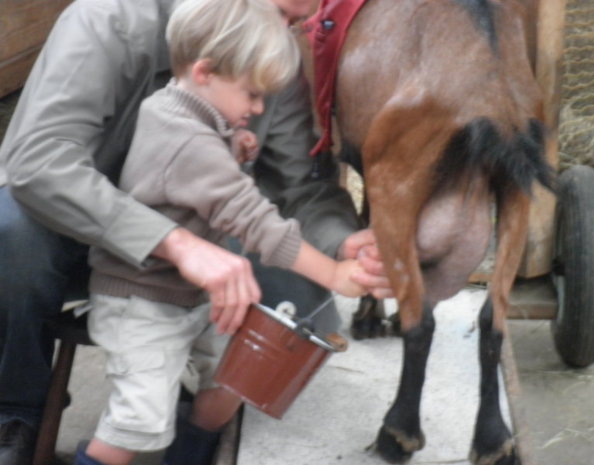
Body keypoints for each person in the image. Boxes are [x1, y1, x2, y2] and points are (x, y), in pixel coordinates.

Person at [0, 0, 391, 463]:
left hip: (198, 235)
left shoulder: (265, 55)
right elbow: (40, 161)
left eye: (296, 25)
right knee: (10, 233)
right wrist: (173, 242)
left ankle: (195, 423)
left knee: (303, 310)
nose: (285, 34)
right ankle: (17, 407)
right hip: (76, 228)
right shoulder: (109, 19)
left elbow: (299, 186)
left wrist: (342, 242)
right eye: (281, 14)